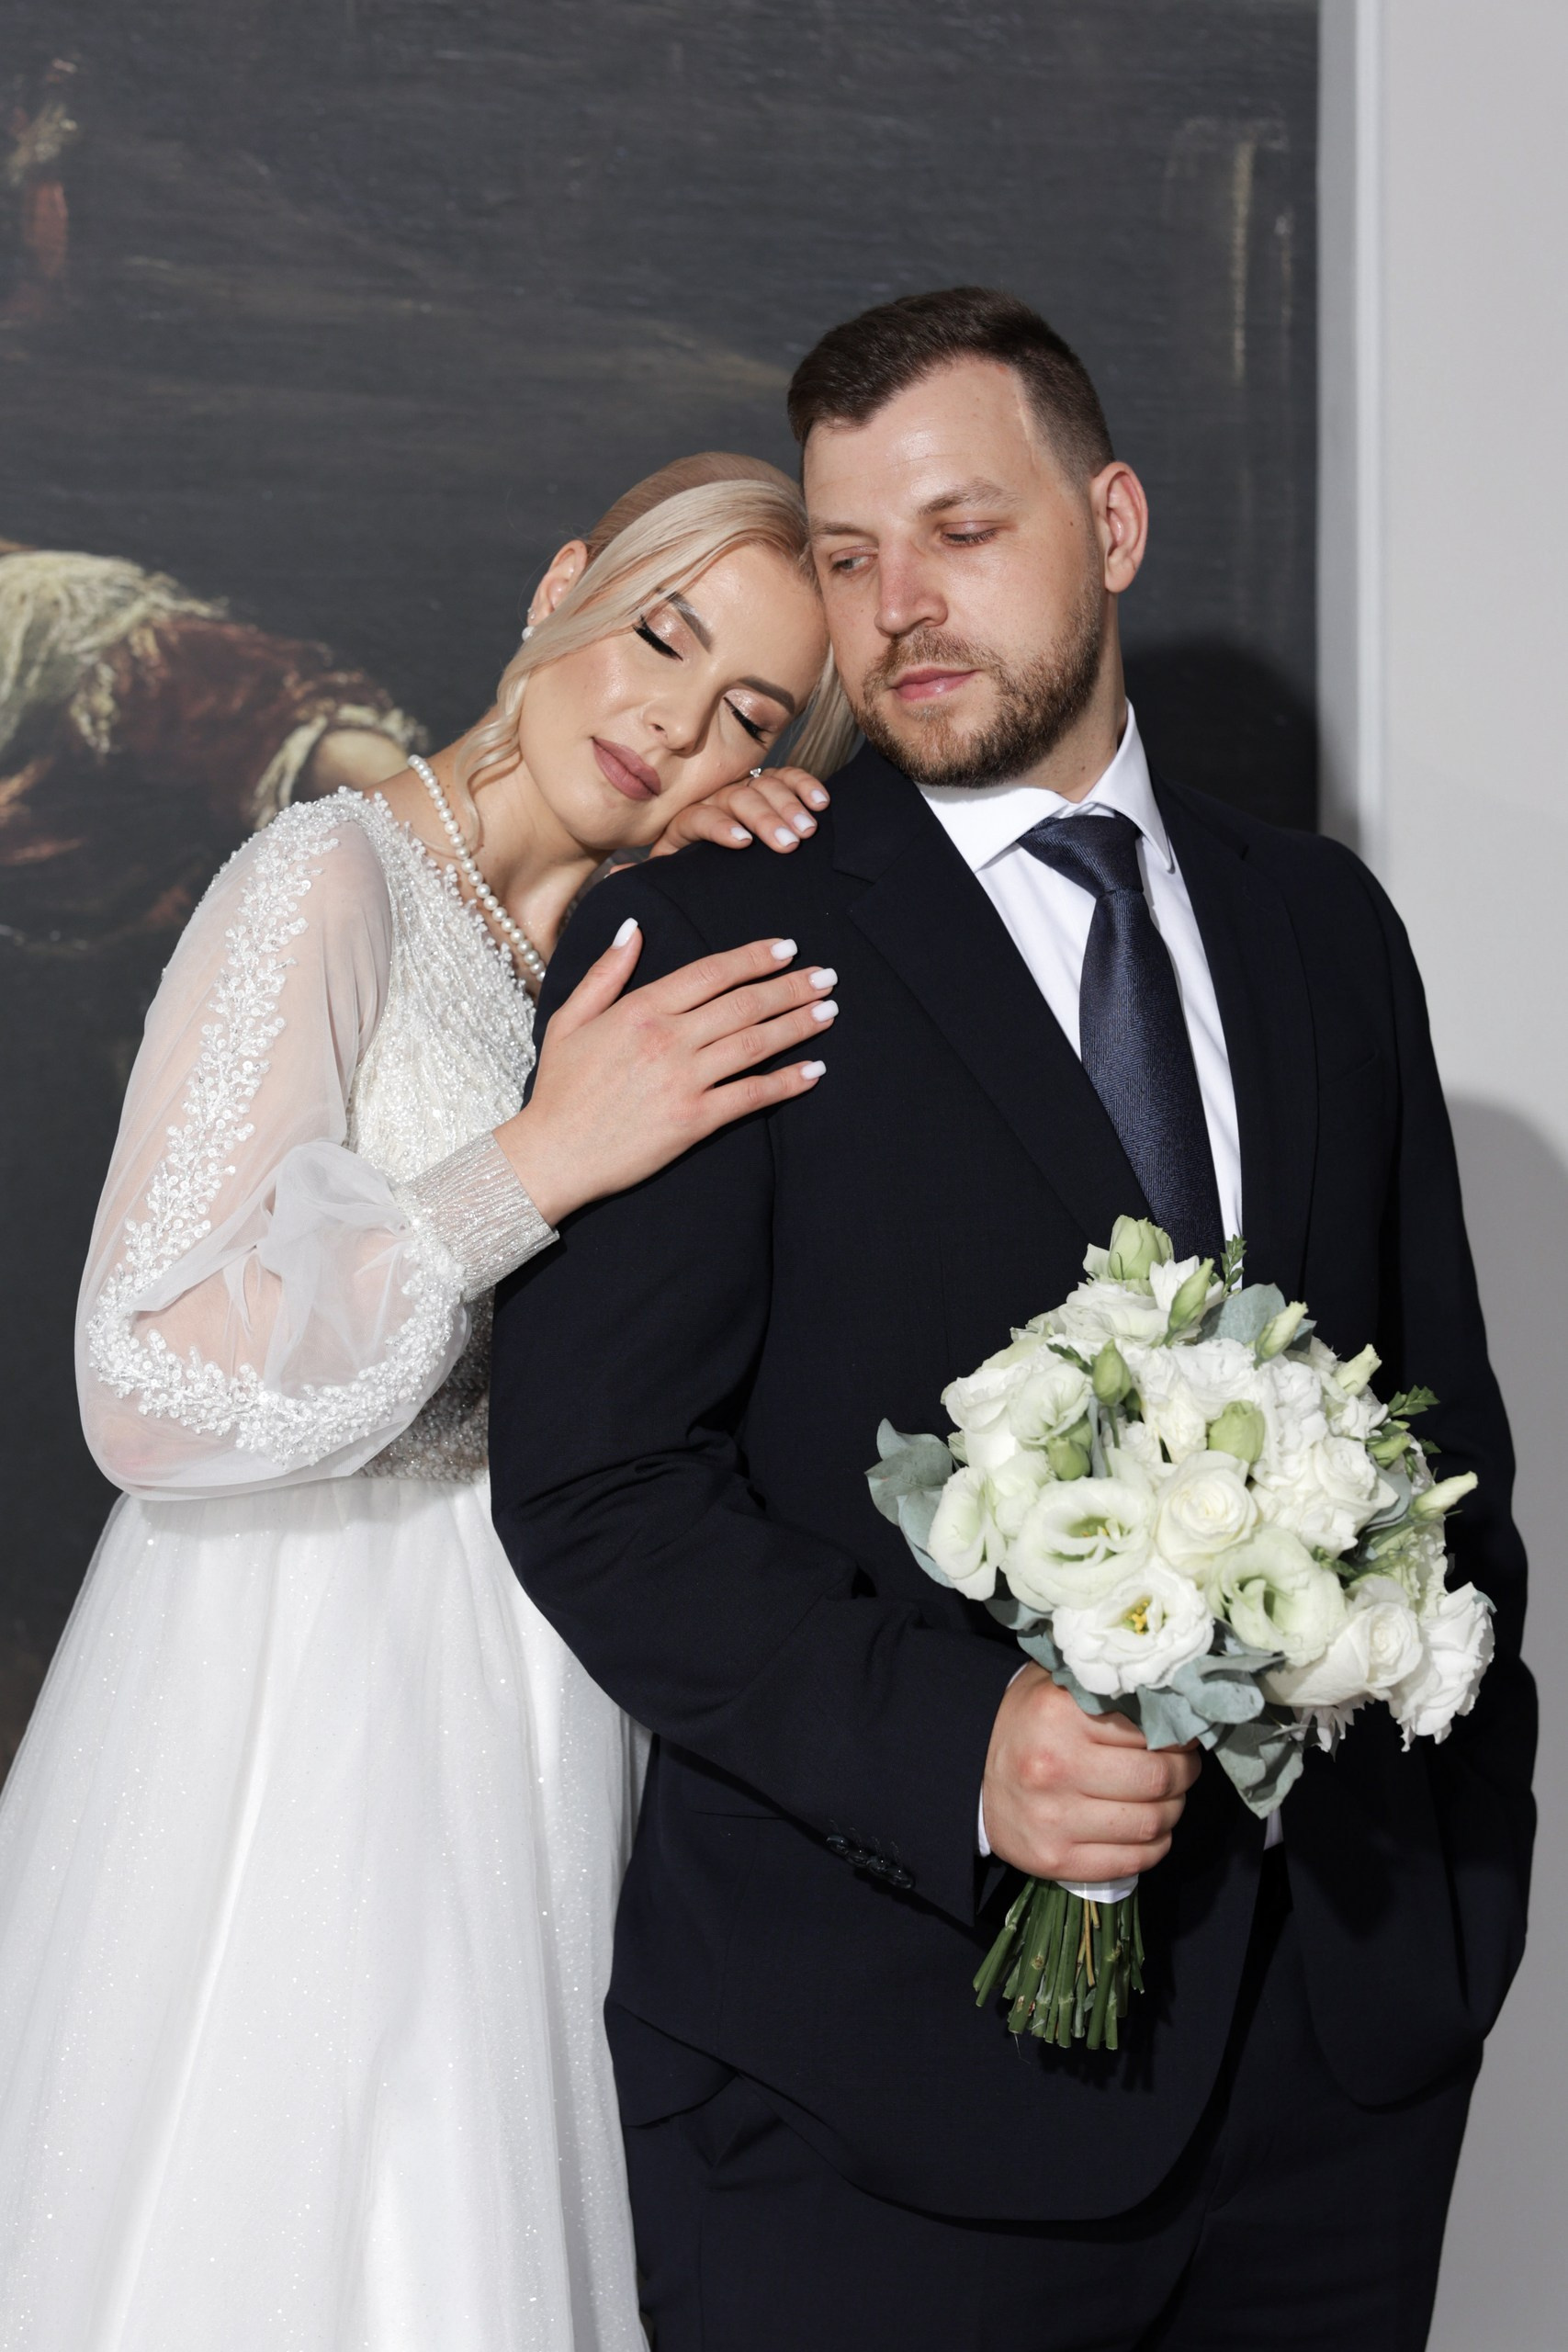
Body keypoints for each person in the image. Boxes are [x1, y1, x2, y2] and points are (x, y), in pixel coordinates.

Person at [491, 291, 1536, 2350]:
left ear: (1112, 523)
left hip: (1334, 2087)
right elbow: (602, 1484)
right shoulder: (712, 927)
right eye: (849, 556)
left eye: (961, 531)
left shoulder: (1323, 925)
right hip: (869, 2109)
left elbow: (1445, 1437)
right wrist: (957, 1752)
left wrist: (1451, 1915)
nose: (899, 608)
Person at [0, 450, 856, 2350]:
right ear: (560, 588)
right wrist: (529, 1168)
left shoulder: (620, 944)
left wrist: (741, 876)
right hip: (300, 1682)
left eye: (747, 713)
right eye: (661, 635)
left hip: (533, 1688)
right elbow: (140, 1375)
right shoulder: (328, 880)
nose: (674, 721)